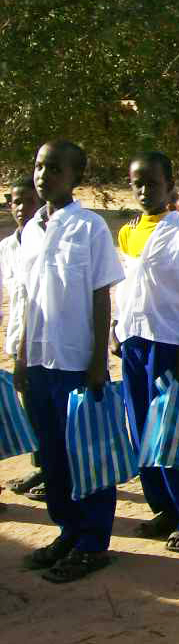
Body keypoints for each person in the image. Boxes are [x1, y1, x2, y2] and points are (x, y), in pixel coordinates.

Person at [16, 141, 124, 583]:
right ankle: (68, 530)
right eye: (39, 166)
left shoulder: (90, 227)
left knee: (86, 455)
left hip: (76, 363)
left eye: (54, 168)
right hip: (39, 362)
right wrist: (21, 357)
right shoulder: (30, 231)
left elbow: (101, 296)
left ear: (75, 176)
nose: (44, 175)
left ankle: (93, 543)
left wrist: (97, 361)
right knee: (53, 457)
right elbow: (23, 298)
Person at [113, 151, 179, 552]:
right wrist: (115, 329)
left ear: (169, 184)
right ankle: (164, 510)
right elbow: (121, 287)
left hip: (170, 344)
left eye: (152, 183)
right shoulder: (127, 233)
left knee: (174, 434)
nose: (144, 190)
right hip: (133, 342)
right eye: (137, 183)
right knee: (141, 429)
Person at [3, 177, 46, 501]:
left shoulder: (46, 241)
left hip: (45, 341)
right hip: (18, 338)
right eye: (16, 202)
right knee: (29, 405)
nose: (22, 208)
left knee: (49, 406)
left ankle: (56, 470)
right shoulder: (6, 248)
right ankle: (41, 464)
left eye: (29, 201)